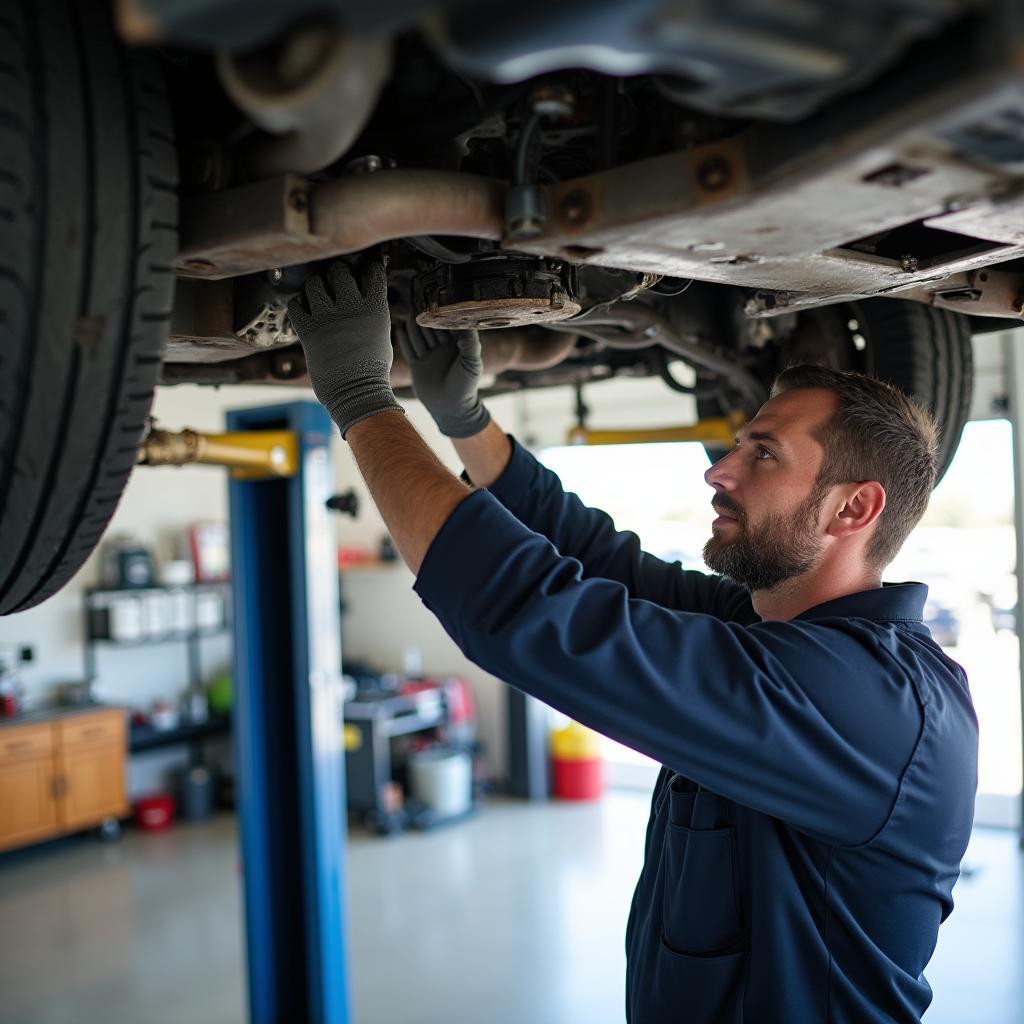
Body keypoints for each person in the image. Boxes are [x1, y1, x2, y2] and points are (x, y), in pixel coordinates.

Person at [288, 261, 978, 1024]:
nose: (719, 471)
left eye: (764, 455)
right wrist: (465, 422)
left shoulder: (868, 706)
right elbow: (603, 563)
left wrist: (360, 400)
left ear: (854, 508)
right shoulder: (778, 632)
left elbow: (540, 619)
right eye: (738, 446)